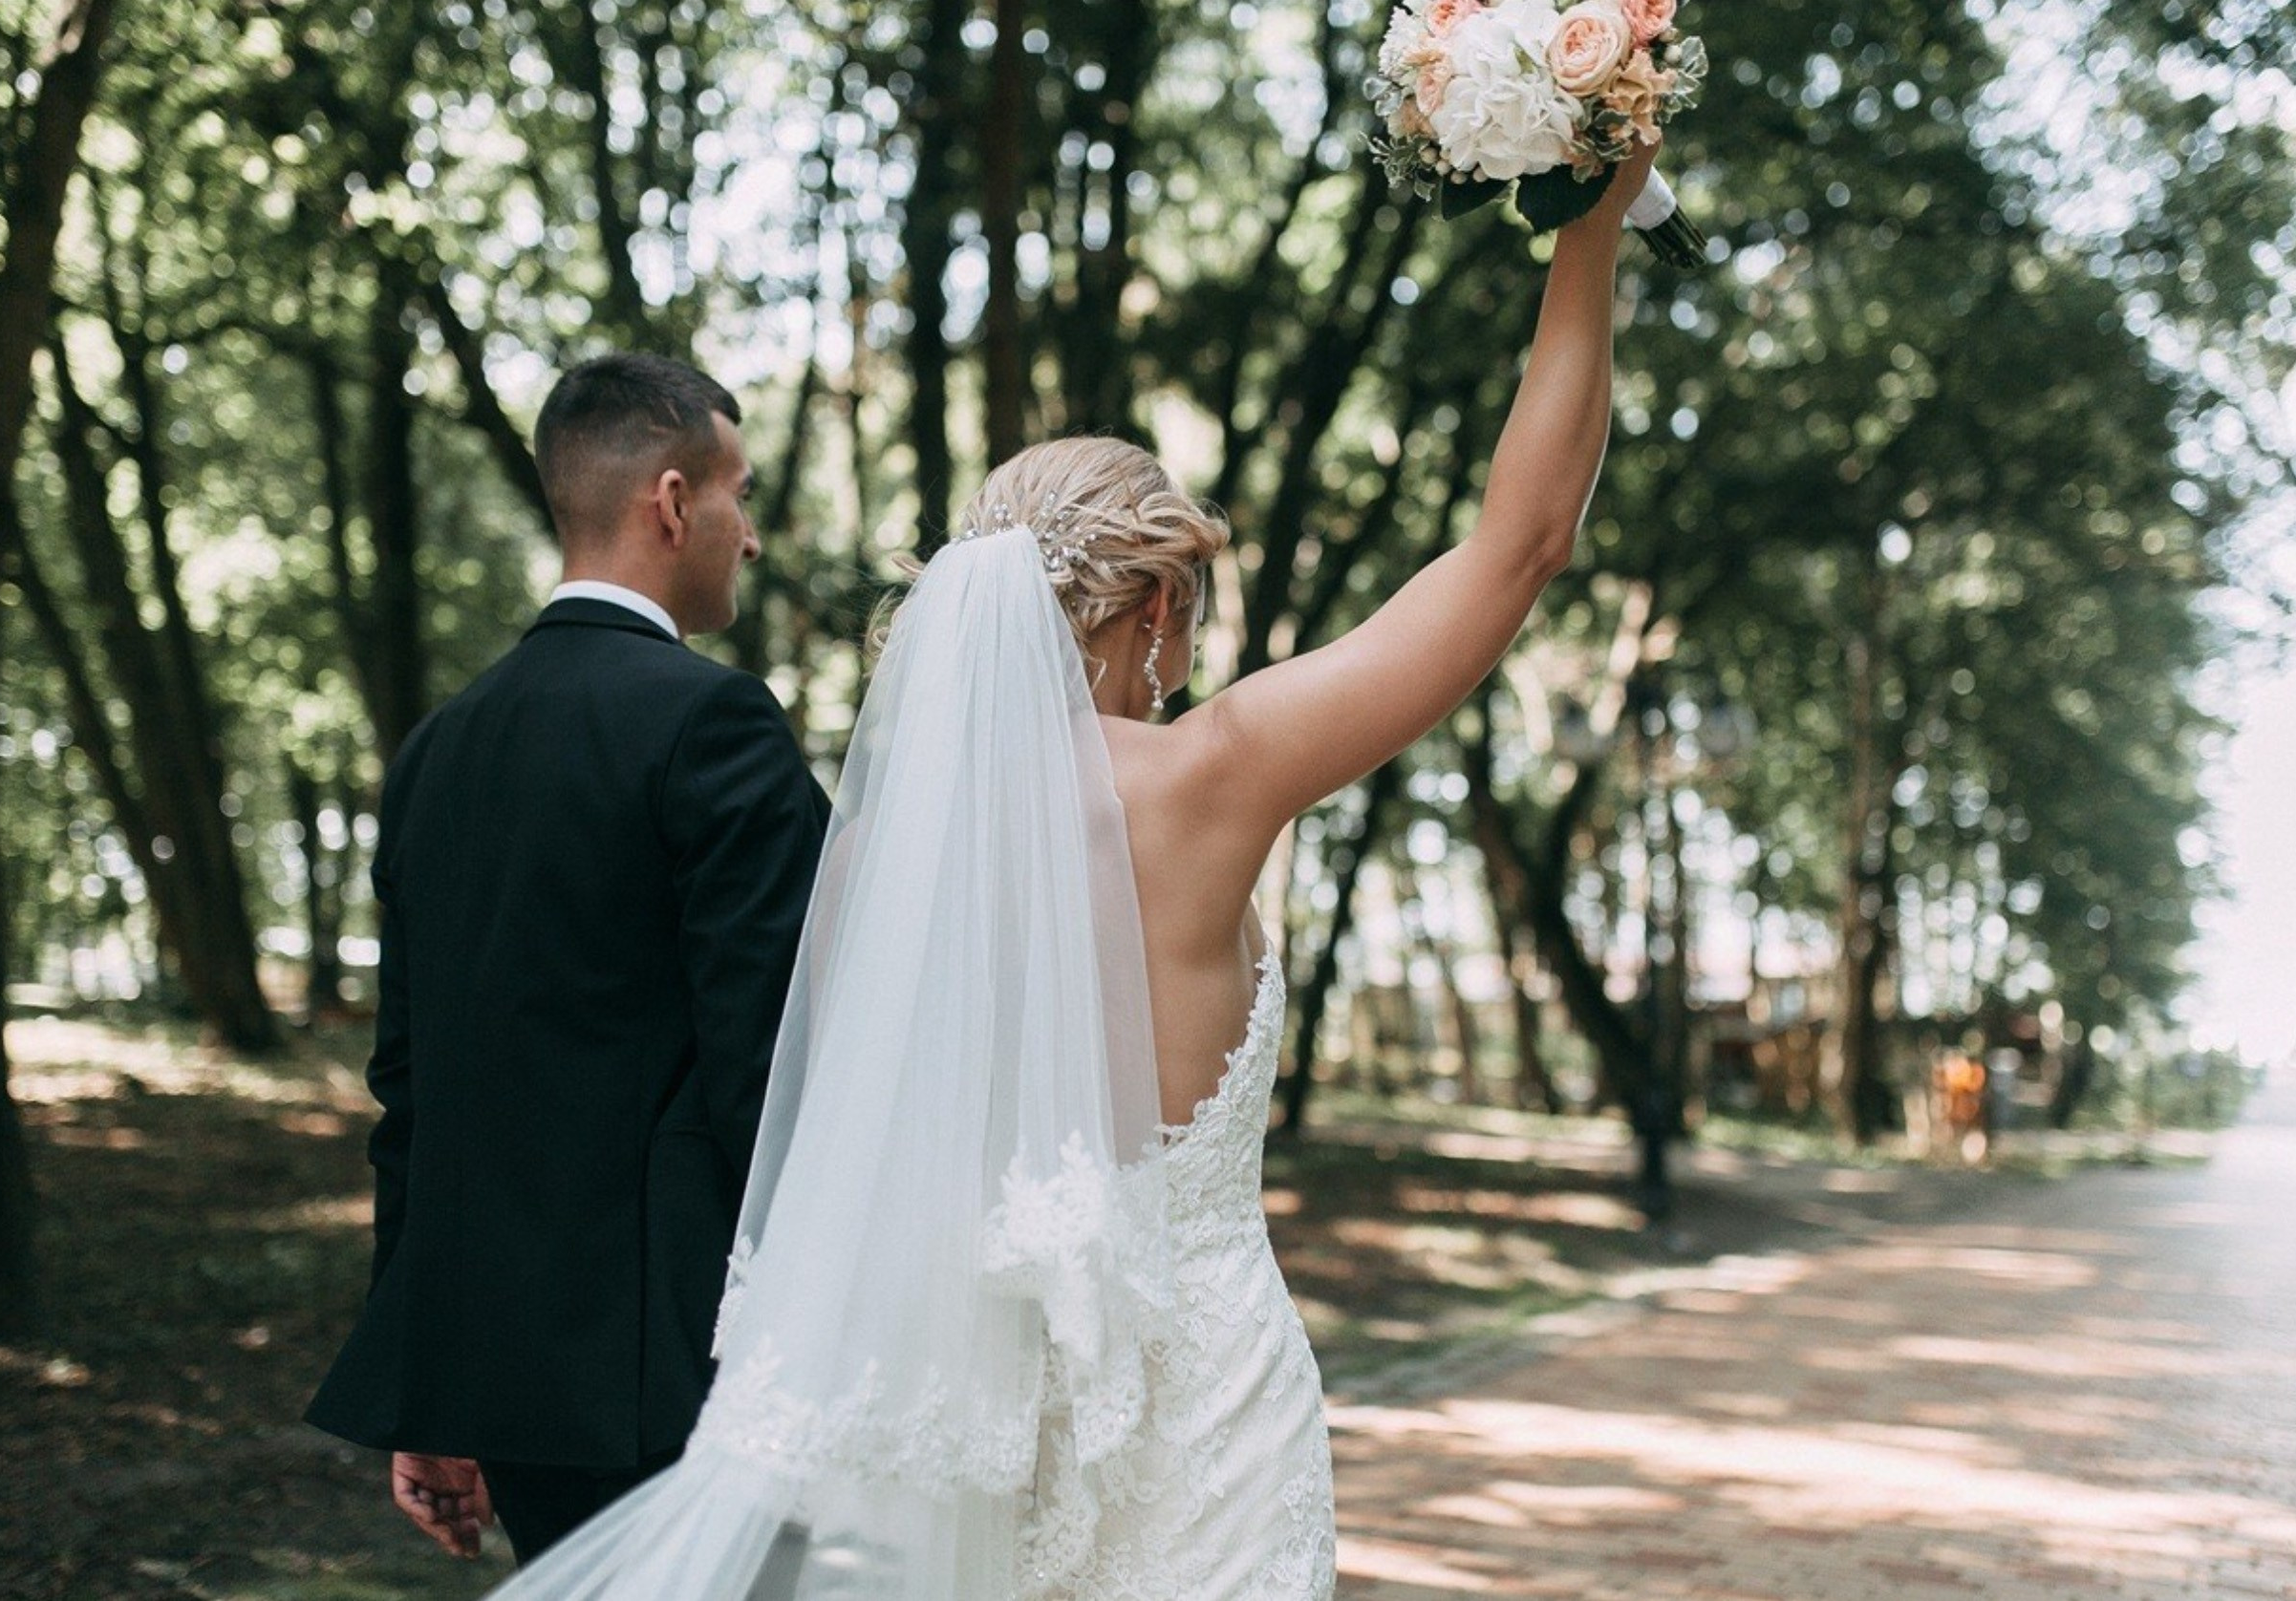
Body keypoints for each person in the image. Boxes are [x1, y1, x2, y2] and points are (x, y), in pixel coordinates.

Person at [485, 143, 1657, 1600]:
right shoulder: (1214, 777)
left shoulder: (873, 860)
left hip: (981, 1439)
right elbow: (1519, 545)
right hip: (1207, 1417)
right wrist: (1587, 235)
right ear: (1156, 605)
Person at [304, 354, 829, 1564]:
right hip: (689, 1368)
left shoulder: (437, 751)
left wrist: (431, 1395)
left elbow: (412, 1093)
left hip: (506, 1382)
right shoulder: (714, 721)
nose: (749, 536)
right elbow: (771, 1062)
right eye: (739, 494)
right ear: (670, 499)